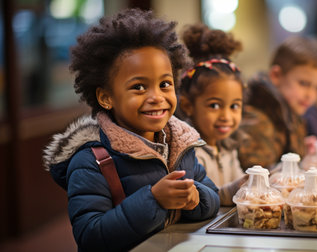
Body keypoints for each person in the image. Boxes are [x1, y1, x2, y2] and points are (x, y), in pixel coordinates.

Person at [42, 9, 219, 252]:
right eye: (139, 87)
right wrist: (153, 200)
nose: (157, 97)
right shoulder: (91, 160)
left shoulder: (180, 143)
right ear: (106, 97)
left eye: (164, 84)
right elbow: (90, 236)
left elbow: (213, 197)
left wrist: (196, 198)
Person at [177, 24, 248, 206]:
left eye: (234, 106)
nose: (226, 116)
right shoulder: (190, 153)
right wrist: (236, 189)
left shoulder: (228, 147)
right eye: (215, 105)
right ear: (188, 105)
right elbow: (201, 200)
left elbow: (240, 183)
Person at [234, 36, 317, 170]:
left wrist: (301, 151)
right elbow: (258, 178)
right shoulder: (257, 120)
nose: (310, 95)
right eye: (304, 83)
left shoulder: (290, 110)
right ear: (276, 75)